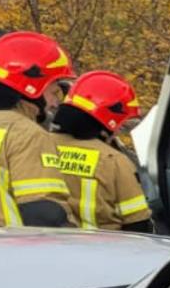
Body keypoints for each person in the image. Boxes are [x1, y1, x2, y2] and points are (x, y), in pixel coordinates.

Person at [0, 31, 74, 227]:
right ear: (32, 85)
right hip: (6, 254)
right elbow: (44, 215)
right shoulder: (26, 134)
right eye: (54, 91)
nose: (56, 102)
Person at [47, 71, 151, 231]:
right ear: (108, 120)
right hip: (106, 251)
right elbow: (138, 223)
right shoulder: (114, 161)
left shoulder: (41, 144)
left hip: (50, 248)